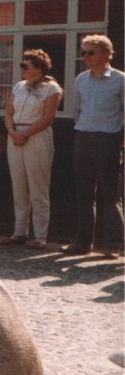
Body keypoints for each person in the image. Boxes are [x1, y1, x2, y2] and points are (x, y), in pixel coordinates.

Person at [61, 35, 124, 258]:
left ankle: (113, 244)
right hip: (83, 138)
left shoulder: (120, 80)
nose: (85, 56)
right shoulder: (81, 80)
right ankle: (82, 242)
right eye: (84, 52)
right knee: (84, 192)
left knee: (110, 193)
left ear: (106, 54)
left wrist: (118, 138)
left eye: (91, 52)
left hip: (108, 139)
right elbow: (77, 110)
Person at [2, 49, 63, 249]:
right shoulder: (18, 86)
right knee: (18, 185)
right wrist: (11, 131)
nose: (22, 69)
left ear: (37, 67)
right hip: (15, 136)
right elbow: (9, 112)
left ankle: (40, 236)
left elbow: (48, 118)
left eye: (25, 65)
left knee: (38, 187)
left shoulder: (52, 88)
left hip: (37, 137)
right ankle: (19, 232)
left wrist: (25, 134)